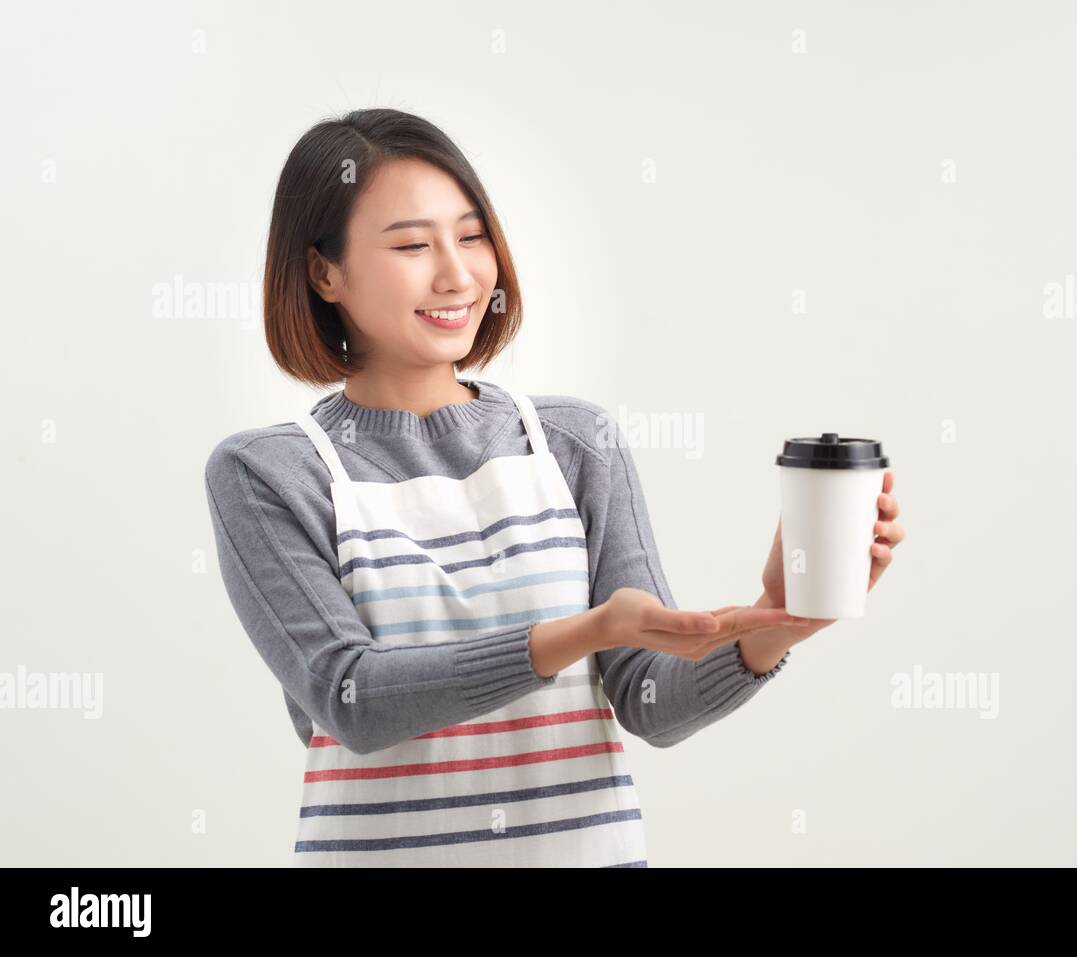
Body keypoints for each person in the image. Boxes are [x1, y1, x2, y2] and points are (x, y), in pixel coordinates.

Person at [203, 108, 905, 867]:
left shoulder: (572, 441)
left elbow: (649, 701)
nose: (457, 273)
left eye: (472, 236)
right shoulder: (269, 473)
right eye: (412, 244)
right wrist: (588, 631)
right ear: (323, 271)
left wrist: (777, 620)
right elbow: (353, 700)